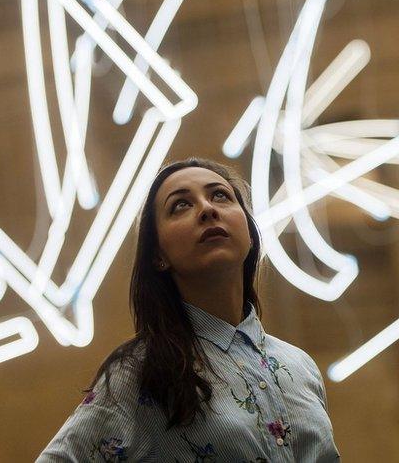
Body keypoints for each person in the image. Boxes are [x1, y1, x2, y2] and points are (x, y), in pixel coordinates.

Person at [38, 157, 340, 461]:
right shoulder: (138, 371)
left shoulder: (301, 367)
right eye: (180, 205)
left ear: (249, 233)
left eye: (220, 195)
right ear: (158, 255)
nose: (208, 209)